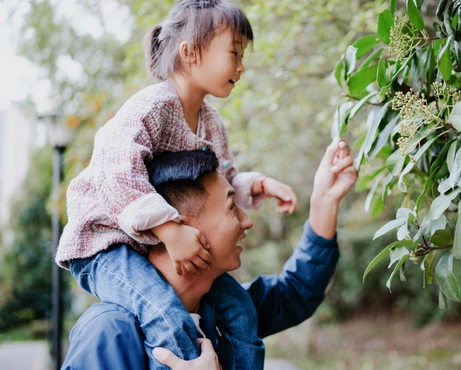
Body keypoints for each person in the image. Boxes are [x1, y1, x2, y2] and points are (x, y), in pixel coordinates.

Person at [55, 0, 297, 368]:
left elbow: (221, 183)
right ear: (189, 52)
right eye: (234, 52)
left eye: (243, 54)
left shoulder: (211, 123)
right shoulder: (153, 106)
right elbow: (116, 168)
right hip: (106, 245)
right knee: (164, 313)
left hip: (145, 242)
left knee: (240, 307)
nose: (241, 66)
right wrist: (170, 230)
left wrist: (256, 184)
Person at [61, 138, 357, 369]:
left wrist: (324, 201)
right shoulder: (110, 331)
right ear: (181, 226)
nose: (247, 221)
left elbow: (295, 293)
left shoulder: (224, 311)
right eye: (232, 207)